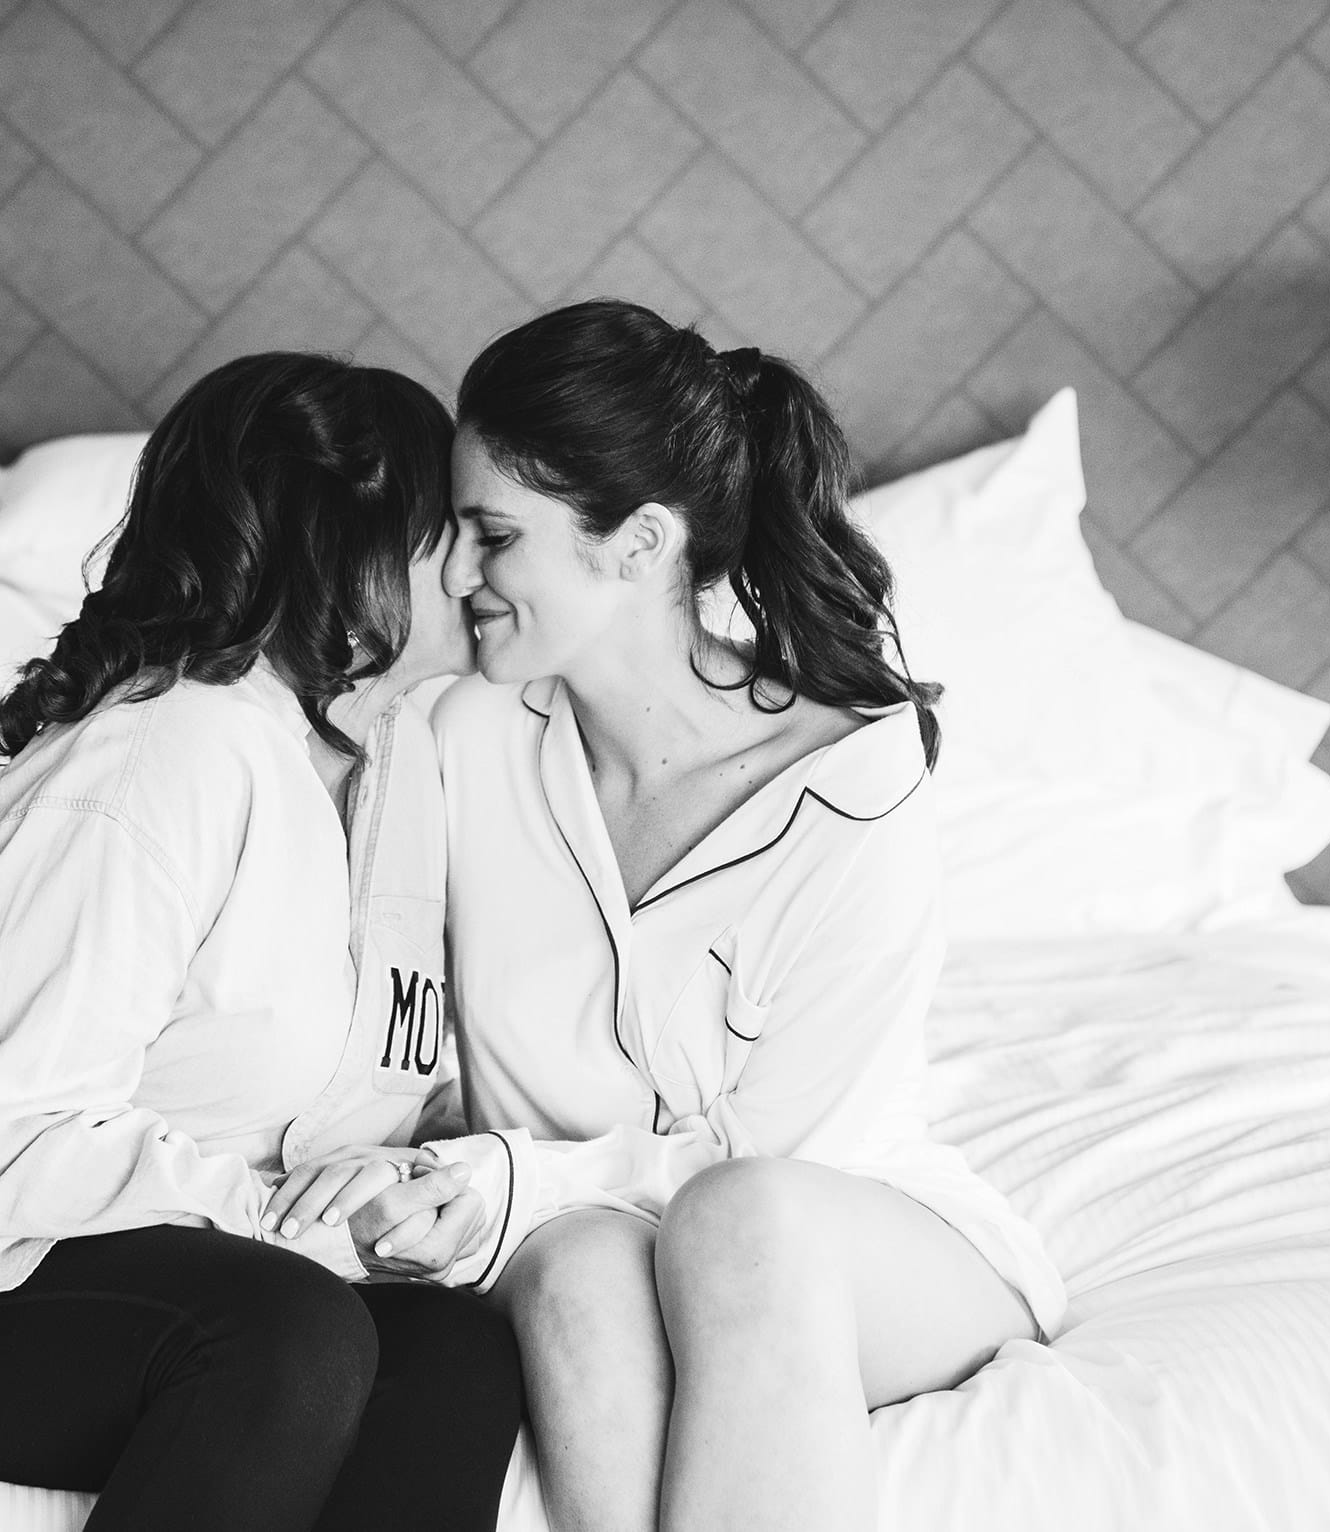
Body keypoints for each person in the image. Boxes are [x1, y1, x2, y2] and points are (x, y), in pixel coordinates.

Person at [269, 300, 1067, 1532]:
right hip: (560, 1230)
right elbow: (391, 1017)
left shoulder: (852, 774)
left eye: (491, 535)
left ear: (637, 542)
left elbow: (792, 1151)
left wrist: (505, 1174)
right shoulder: (452, 733)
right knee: (579, 1262)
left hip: (845, 1245)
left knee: (736, 1212)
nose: (458, 577)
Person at [0, 353, 522, 1532]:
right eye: (445, 527)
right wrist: (286, 1220)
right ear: (344, 546)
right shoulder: (171, 749)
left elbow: (381, 1085)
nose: (474, 560)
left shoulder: (402, 769)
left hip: (181, 1263)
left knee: (452, 1347)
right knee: (290, 1330)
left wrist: (424, 1191)